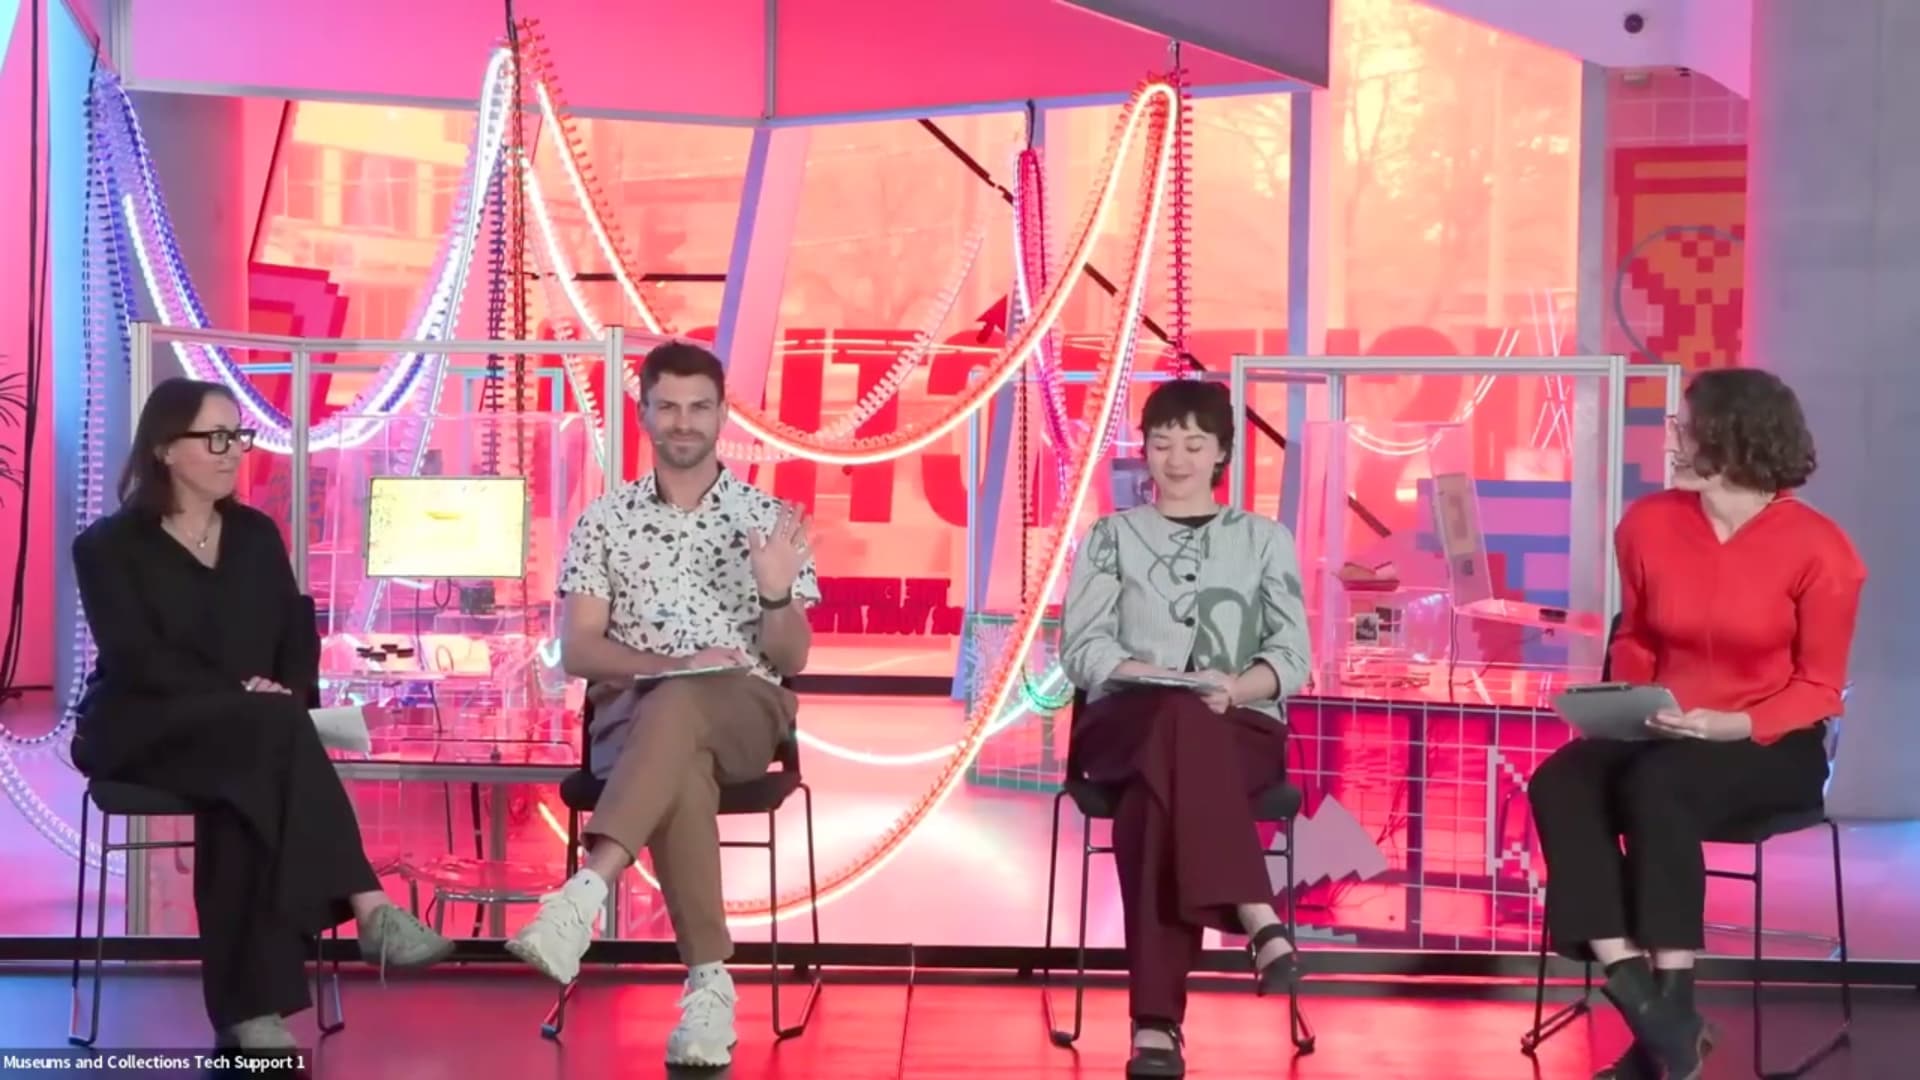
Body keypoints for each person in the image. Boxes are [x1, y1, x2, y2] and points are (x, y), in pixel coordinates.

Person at [69, 378, 454, 1049]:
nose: (232, 451)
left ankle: (252, 1016)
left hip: (246, 732)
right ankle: (367, 907)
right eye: (215, 437)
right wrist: (250, 700)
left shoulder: (254, 534)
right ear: (164, 448)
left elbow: (294, 635)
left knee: (248, 780)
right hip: (141, 725)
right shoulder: (107, 546)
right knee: (263, 743)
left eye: (237, 436)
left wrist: (288, 693)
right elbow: (137, 661)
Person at [1527, 368, 1864, 1080]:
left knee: (1659, 785)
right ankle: (1649, 1004)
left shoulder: (1822, 550)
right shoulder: (1647, 524)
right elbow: (1637, 636)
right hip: (1665, 728)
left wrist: (1735, 725)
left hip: (1772, 742)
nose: (1670, 442)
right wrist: (1632, 699)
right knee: (1561, 780)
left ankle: (1669, 1013)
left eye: (1685, 430)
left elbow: (1819, 687)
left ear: (1736, 441)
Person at [506, 341, 818, 1069]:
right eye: (669, 406)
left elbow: (794, 657)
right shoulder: (604, 521)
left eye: (699, 407)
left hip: (747, 713)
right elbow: (580, 650)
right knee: (679, 752)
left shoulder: (767, 518)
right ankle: (709, 988)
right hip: (633, 721)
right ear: (643, 413)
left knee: (680, 714)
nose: (684, 421)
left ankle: (586, 893)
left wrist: (775, 592)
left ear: (722, 415)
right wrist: (672, 666)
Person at [1057, 378, 1312, 1079]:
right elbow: (1081, 649)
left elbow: (1293, 658)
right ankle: (1256, 913)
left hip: (1239, 729)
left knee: (1152, 806)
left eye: (1194, 445)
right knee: (1173, 713)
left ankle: (1155, 1027)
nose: (1176, 459)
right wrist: (1144, 670)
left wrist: (1235, 688)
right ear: (1144, 449)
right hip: (1125, 723)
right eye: (1163, 443)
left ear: (1222, 452)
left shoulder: (1264, 540)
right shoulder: (1109, 538)